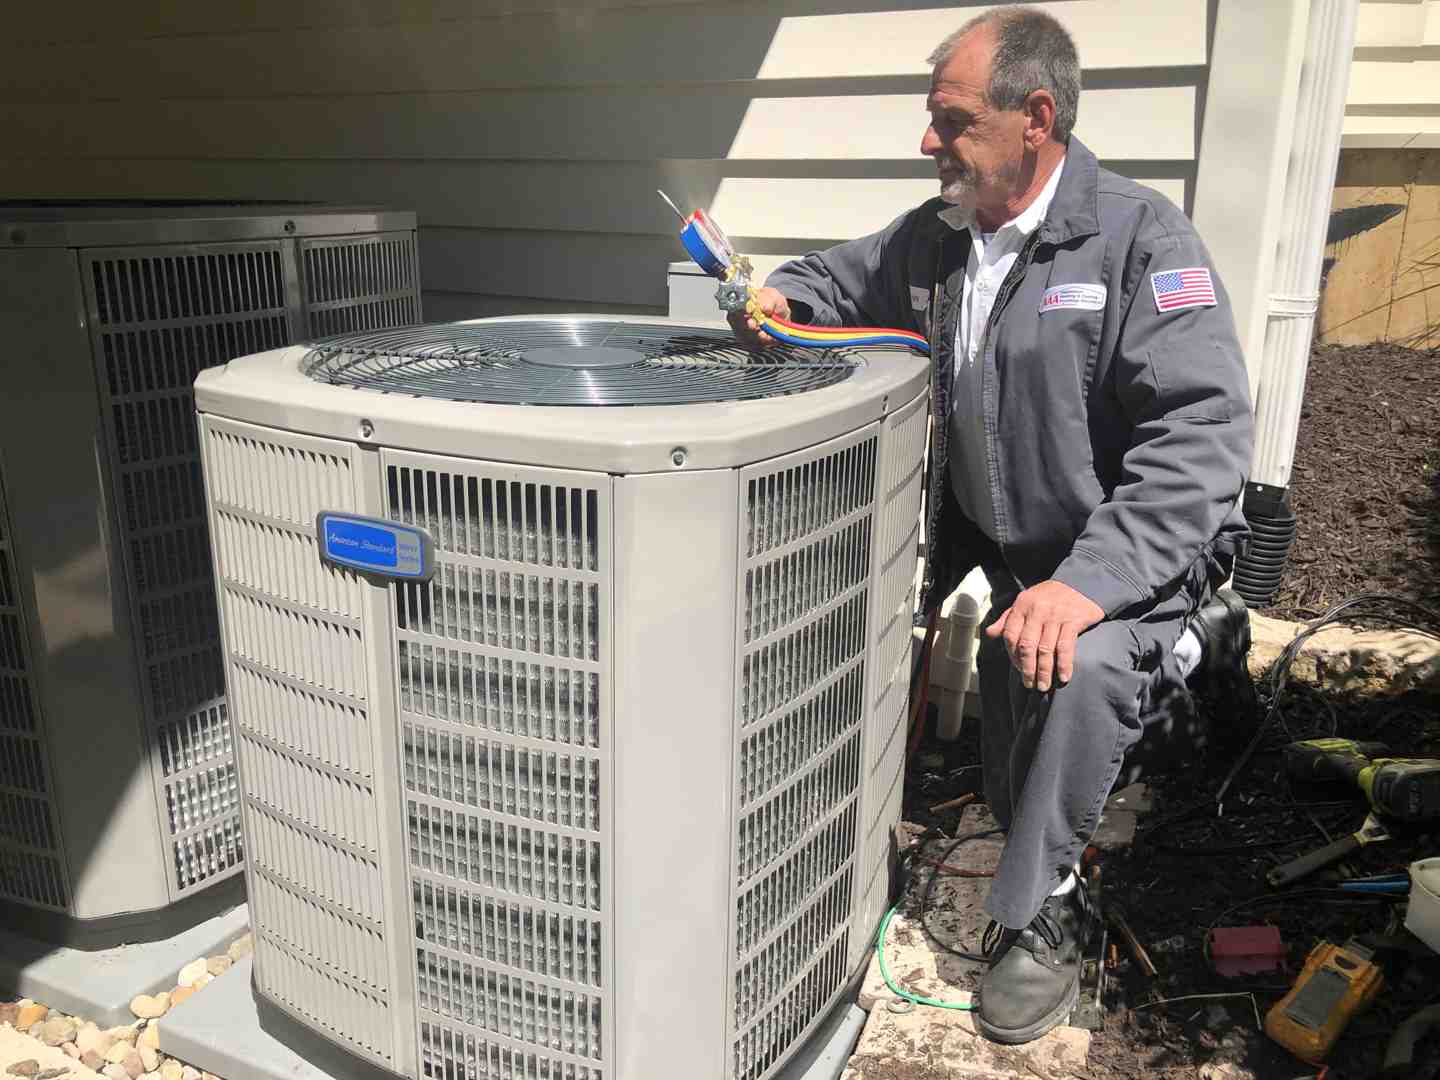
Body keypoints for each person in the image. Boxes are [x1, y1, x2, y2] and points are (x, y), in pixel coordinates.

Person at [730, 6, 1255, 1046]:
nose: (928, 140)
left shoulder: (1140, 241)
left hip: (1124, 556)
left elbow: (1203, 436)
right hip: (1004, 547)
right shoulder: (940, 235)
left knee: (1083, 667)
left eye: (953, 119)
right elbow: (829, 282)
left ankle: (1048, 908)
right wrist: (776, 298)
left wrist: (1086, 583)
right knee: (996, 711)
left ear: (1037, 118)